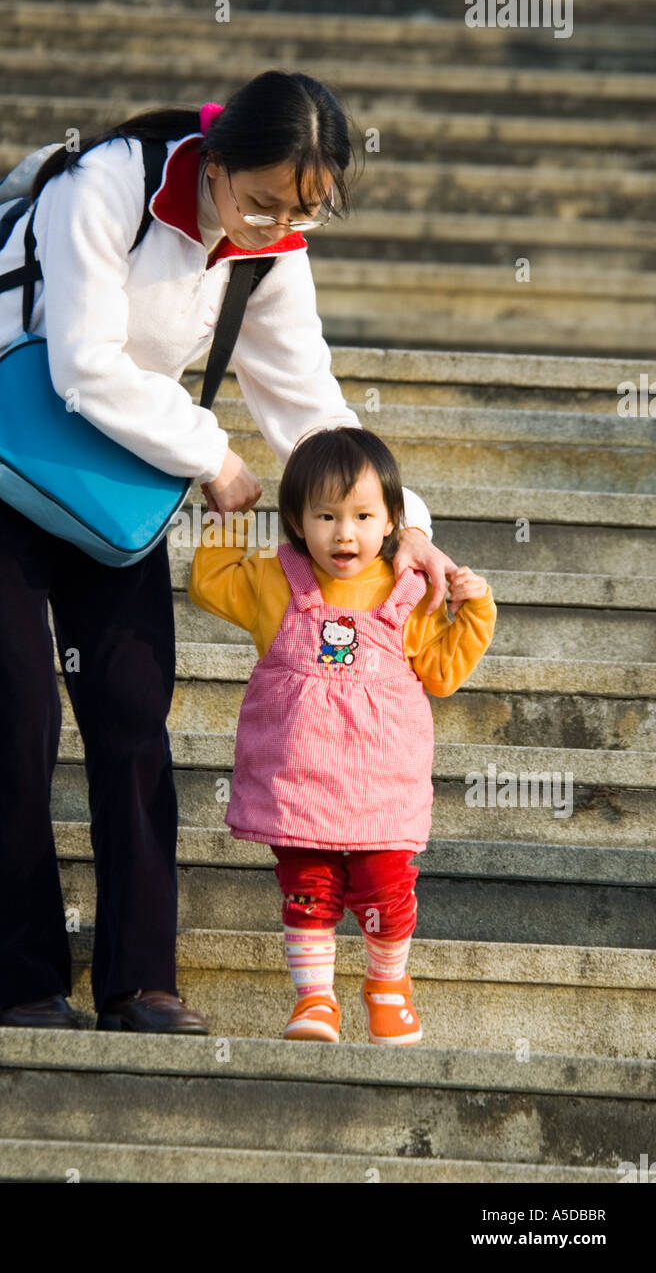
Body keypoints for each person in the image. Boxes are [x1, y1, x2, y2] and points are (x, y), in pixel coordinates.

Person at [0, 69, 459, 1034]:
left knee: (131, 712)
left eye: (298, 212)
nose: (267, 229)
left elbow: (311, 413)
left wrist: (409, 525)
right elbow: (83, 360)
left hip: (114, 482)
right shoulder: (109, 183)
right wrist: (213, 456)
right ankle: (24, 983)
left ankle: (141, 983)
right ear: (212, 164)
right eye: (256, 203)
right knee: (12, 714)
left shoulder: (273, 251)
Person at [188, 426, 496, 1044]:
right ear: (299, 522)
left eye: (362, 515)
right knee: (307, 891)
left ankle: (387, 982)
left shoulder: (409, 594)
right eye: (325, 515)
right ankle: (315, 1000)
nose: (344, 533)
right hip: (298, 787)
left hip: (381, 791)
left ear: (394, 525)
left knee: (386, 888)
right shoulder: (275, 582)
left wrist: (477, 609)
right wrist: (227, 518)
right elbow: (209, 582)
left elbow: (440, 672)